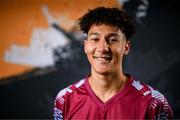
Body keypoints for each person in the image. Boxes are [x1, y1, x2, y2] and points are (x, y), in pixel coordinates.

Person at [54, 7, 173, 119]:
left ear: (126, 47)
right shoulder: (65, 99)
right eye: (95, 39)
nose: (102, 48)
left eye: (112, 40)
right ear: (86, 46)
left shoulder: (153, 102)